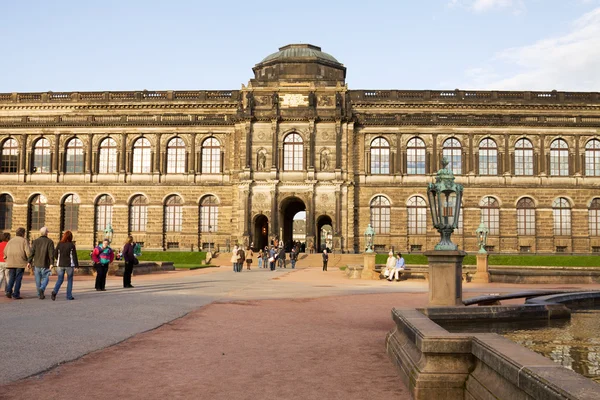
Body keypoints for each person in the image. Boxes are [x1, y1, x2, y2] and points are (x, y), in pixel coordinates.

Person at [4, 227, 31, 300]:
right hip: (20, 262)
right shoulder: (24, 241)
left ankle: (8, 291)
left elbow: (5, 251)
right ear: (23, 233)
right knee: (18, 278)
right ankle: (16, 294)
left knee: (11, 278)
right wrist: (29, 260)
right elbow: (28, 252)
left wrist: (6, 257)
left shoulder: (10, 241)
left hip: (11, 262)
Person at [52, 231, 79, 300]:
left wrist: (58, 259)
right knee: (69, 280)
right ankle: (69, 296)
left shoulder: (59, 244)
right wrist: (76, 265)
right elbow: (74, 256)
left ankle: (55, 291)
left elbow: (55, 254)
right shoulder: (71, 245)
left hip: (60, 264)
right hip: (69, 264)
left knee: (60, 279)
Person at [29, 227, 55, 299]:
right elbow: (51, 253)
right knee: (46, 278)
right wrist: (52, 263)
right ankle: (42, 288)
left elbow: (32, 252)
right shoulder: (50, 242)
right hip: (45, 263)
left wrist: (29, 261)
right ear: (46, 233)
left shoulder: (35, 241)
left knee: (37, 279)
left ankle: (39, 294)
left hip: (37, 263)